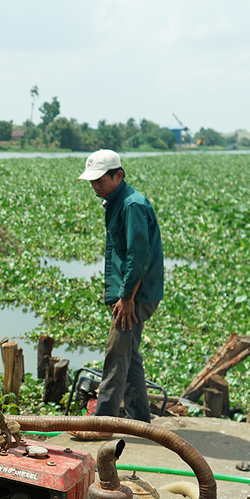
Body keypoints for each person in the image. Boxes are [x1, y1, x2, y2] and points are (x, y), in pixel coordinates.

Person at [75, 149, 164, 436]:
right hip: (127, 296)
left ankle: (102, 425)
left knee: (116, 354)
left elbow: (138, 256)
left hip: (135, 297)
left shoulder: (131, 205)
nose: (94, 185)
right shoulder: (115, 202)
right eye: (92, 180)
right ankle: (139, 421)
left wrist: (127, 298)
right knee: (129, 356)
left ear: (118, 175)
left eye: (99, 179)